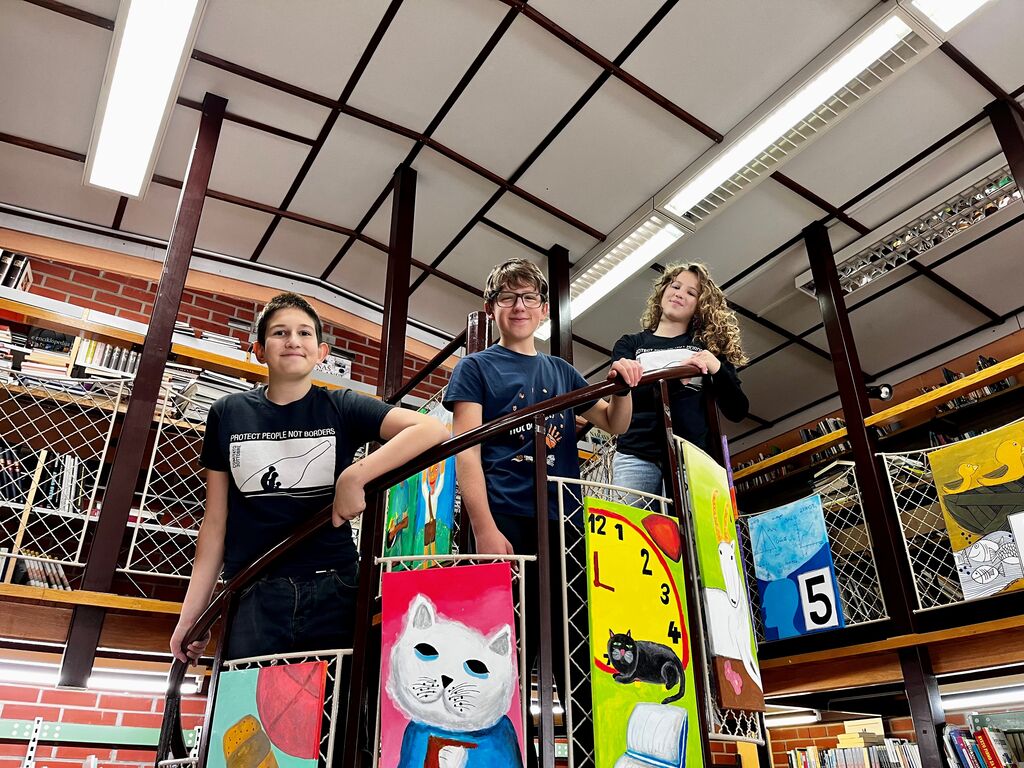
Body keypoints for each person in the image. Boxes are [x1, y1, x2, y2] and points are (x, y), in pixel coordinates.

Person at [170, 292, 449, 663]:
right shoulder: (227, 412)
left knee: (334, 697)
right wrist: (193, 614)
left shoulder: (342, 405)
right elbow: (215, 521)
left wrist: (355, 476)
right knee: (249, 700)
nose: (293, 341)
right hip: (252, 591)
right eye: (279, 333)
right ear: (259, 350)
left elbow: (432, 429)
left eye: (304, 333)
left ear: (321, 352)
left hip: (333, 586)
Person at [443, 258, 642, 767]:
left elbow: (615, 424)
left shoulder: (562, 372)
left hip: (565, 523)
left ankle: (592, 753)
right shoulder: (475, 367)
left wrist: (623, 388)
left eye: (529, 297)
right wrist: (484, 528)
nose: (519, 306)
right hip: (504, 518)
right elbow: (466, 451)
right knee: (503, 650)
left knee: (575, 646)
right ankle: (515, 756)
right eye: (508, 297)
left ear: (543, 309)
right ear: (491, 308)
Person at [612, 262, 749, 497]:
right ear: (663, 291)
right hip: (635, 453)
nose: (679, 294)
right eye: (675, 286)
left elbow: (738, 410)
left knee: (693, 522)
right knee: (632, 521)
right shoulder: (630, 344)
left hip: (692, 457)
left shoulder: (707, 348)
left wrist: (717, 369)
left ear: (700, 305)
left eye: (691, 292)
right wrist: (679, 378)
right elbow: (629, 399)